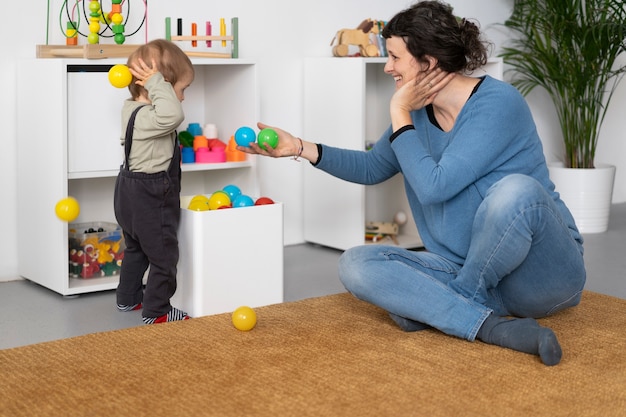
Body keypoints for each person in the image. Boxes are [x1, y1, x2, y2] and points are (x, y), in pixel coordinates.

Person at [240, 0, 586, 366]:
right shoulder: (417, 116)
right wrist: (300, 147)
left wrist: (399, 111)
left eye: (394, 57)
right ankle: (490, 327)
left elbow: (434, 186)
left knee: (517, 191)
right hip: (471, 270)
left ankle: (449, 304)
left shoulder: (498, 103)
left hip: (542, 276)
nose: (387, 67)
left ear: (428, 61)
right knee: (356, 263)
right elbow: (373, 167)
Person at [114, 39, 195, 324]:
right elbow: (173, 114)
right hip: (149, 196)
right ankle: (157, 311)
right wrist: (157, 82)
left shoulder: (130, 110)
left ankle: (128, 298)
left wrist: (156, 85)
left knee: (136, 249)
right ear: (157, 85)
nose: (183, 98)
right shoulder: (153, 116)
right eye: (181, 90)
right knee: (163, 255)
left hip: (126, 193)